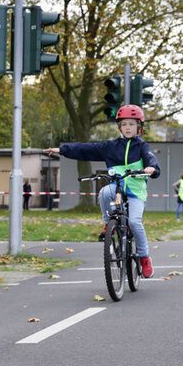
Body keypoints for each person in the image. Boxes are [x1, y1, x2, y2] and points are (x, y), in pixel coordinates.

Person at [45, 104, 159, 278]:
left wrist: (151, 169)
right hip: (118, 186)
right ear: (119, 127)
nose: (128, 127)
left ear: (139, 127)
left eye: (131, 124)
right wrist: (61, 150)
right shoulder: (110, 146)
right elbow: (85, 149)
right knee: (104, 192)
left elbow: (152, 161)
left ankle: (144, 257)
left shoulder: (142, 147)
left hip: (136, 190)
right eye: (124, 124)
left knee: (135, 223)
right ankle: (108, 223)